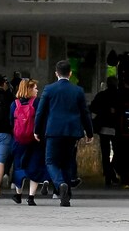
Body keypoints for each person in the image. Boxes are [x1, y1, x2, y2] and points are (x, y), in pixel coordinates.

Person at [34, 60, 94, 207]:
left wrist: (36, 130)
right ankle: (65, 197)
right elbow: (85, 113)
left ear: (56, 73)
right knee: (67, 163)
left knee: (51, 161)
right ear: (70, 74)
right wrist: (90, 132)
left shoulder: (49, 89)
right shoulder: (78, 90)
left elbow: (40, 112)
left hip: (54, 131)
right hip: (72, 132)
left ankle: (60, 184)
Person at [9, 79, 47, 206]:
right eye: (35, 88)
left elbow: (11, 122)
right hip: (35, 140)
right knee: (35, 166)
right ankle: (31, 197)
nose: (37, 90)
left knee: (19, 165)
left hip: (18, 140)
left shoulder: (14, 104)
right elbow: (42, 119)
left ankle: (18, 194)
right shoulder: (37, 102)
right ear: (29, 89)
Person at [89, 76, 120, 186]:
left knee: (105, 153)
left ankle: (108, 174)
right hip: (117, 128)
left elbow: (92, 108)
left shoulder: (101, 95)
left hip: (103, 128)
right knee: (118, 152)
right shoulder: (119, 95)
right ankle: (111, 171)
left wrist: (102, 112)